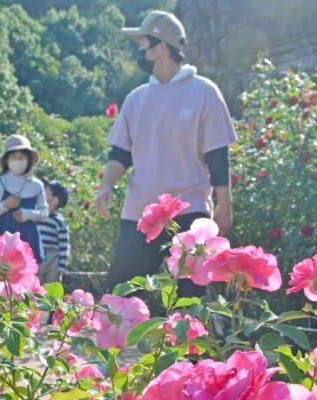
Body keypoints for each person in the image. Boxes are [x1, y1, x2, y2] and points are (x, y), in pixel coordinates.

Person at [94, 10, 238, 297]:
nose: (139, 51)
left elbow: (217, 154)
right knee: (118, 295)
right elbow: (121, 152)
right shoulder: (137, 98)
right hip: (140, 213)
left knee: (189, 300)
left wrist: (225, 205)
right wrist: (106, 186)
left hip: (190, 212)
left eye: (143, 44)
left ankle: (185, 342)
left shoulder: (204, 92)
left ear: (160, 47)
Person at [0, 134, 48, 264]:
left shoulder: (36, 185)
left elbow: (44, 212)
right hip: (2, 234)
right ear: (7, 160)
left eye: (22, 158)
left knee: (26, 275)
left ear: (28, 160)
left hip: (28, 236)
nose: (18, 161)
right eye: (14, 157)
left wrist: (28, 214)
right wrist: (4, 206)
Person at [37, 179, 71, 284]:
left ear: (54, 200)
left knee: (52, 285)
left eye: (45, 194)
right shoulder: (36, 216)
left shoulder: (59, 221)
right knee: (36, 285)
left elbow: (64, 245)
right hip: (37, 253)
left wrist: (62, 267)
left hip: (53, 257)